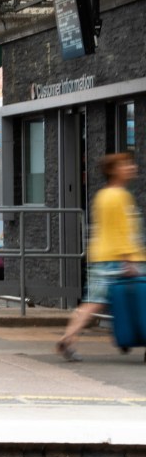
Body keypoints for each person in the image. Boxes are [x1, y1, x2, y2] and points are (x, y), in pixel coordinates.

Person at [57, 153, 145, 362]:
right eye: (126, 165)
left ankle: (68, 338)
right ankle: (132, 335)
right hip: (120, 258)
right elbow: (123, 230)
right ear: (114, 170)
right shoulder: (120, 196)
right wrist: (129, 259)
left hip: (101, 255)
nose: (131, 168)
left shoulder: (103, 195)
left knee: (92, 303)